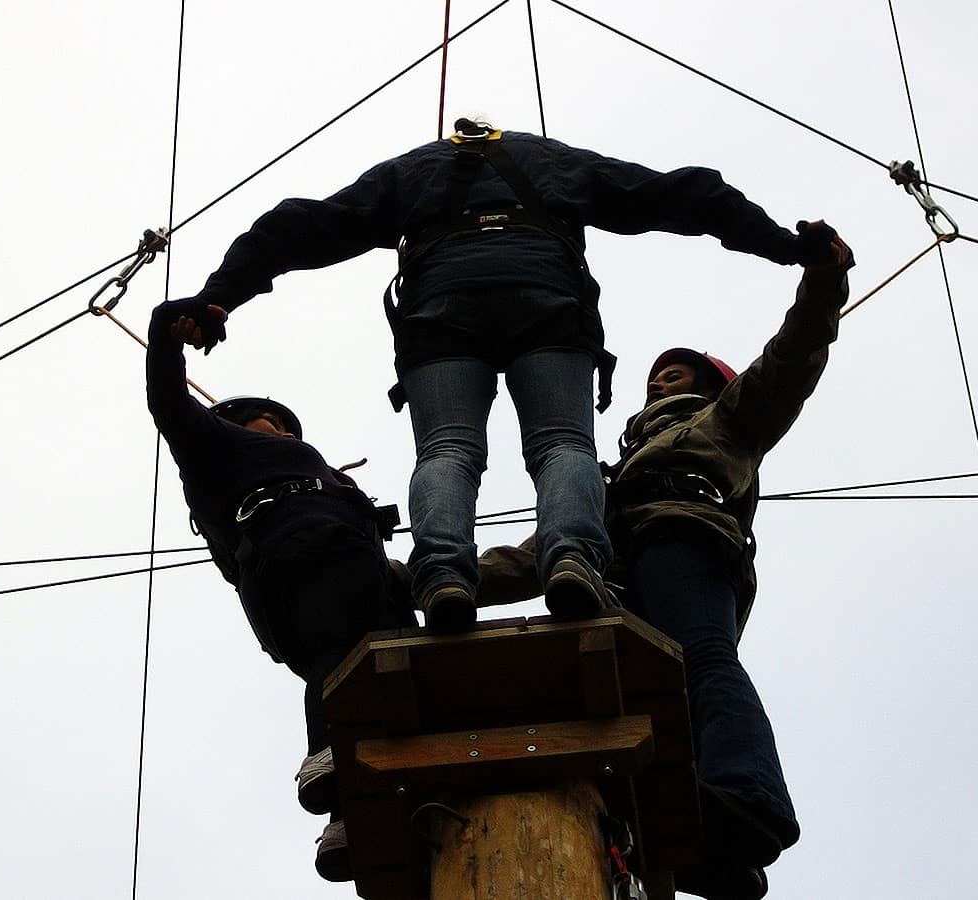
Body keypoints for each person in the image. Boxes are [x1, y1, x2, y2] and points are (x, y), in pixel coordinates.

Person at [155, 119, 842, 633]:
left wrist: (220, 297)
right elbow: (682, 195)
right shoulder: (551, 161)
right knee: (562, 446)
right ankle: (573, 558)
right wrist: (784, 244)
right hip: (547, 299)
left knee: (448, 450)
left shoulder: (411, 172)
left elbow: (295, 227)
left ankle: (443, 576)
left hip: (441, 308)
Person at [477, 223, 856, 899]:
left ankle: (750, 797)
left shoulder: (728, 421)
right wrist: (431, 580)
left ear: (713, 383)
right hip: (620, 563)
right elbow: (533, 557)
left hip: (686, 538)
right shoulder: (611, 476)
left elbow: (792, 359)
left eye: (676, 370)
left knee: (701, 660)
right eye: (655, 374)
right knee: (629, 705)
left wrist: (823, 286)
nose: (660, 374)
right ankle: (711, 857)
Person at [145, 300, 417, 883]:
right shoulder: (215, 449)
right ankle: (328, 756)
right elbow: (168, 401)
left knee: (379, 666)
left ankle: (353, 818)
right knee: (342, 650)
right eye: (268, 420)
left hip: (337, 569)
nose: (282, 429)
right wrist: (169, 326)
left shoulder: (330, 481)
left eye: (285, 425)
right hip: (301, 556)